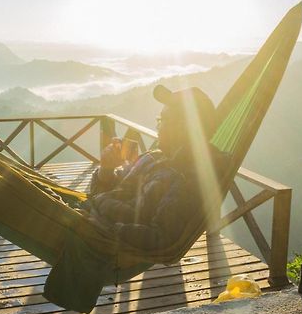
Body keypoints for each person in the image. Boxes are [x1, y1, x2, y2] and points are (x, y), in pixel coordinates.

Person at [84, 84, 227, 250]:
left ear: (183, 127)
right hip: (91, 217)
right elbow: (114, 192)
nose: (157, 127)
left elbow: (160, 237)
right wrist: (106, 170)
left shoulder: (189, 178)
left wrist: (101, 229)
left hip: (98, 241)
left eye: (162, 120)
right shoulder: (155, 156)